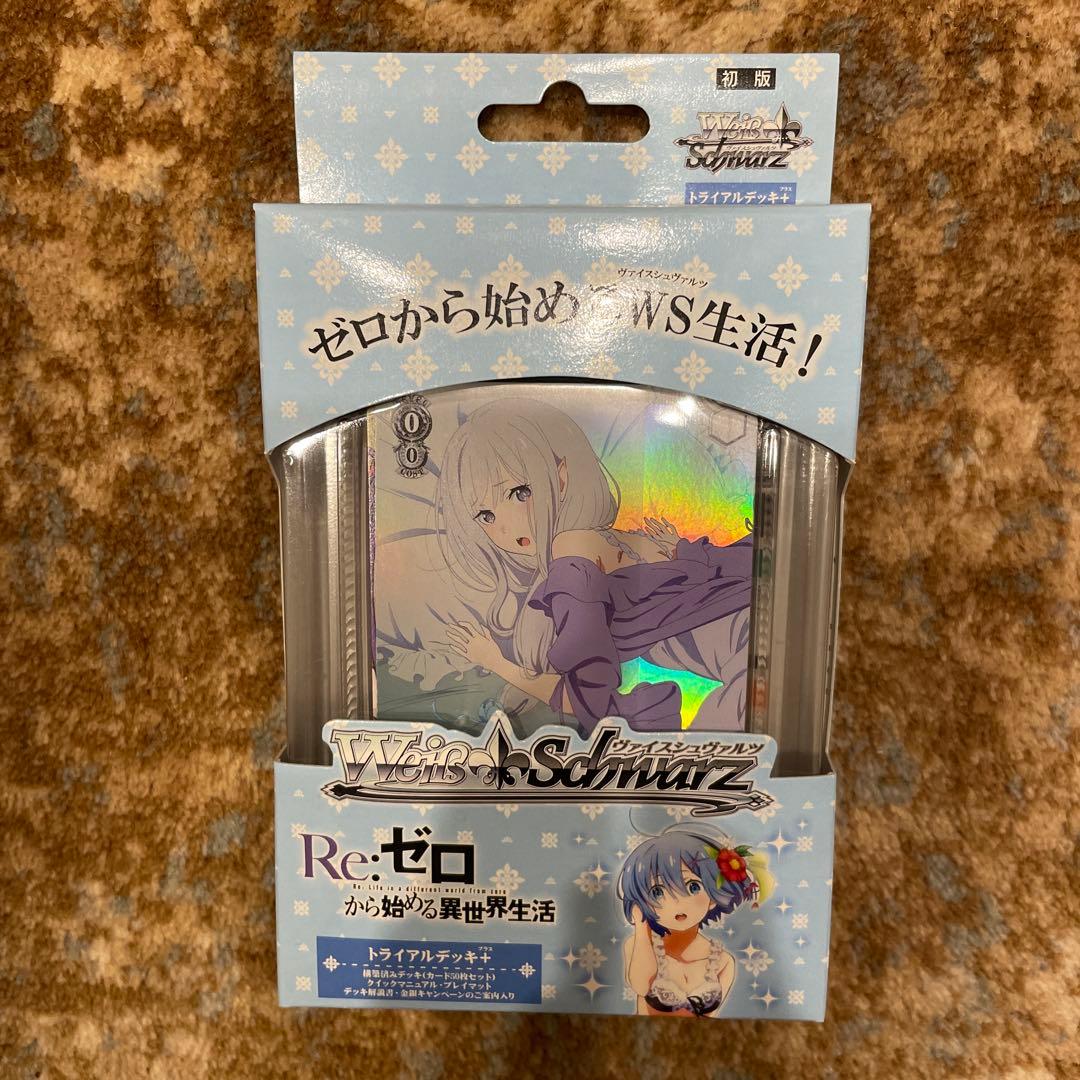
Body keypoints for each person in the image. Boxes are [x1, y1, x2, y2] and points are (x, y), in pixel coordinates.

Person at [434, 397, 753, 732]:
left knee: (713, 750)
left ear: (561, 477)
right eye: (486, 515)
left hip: (748, 646)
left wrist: (495, 662)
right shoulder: (601, 542)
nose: (505, 529)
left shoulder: (571, 557)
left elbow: (591, 701)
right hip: (754, 620)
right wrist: (681, 552)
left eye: (520, 493)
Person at [618, 824, 771, 1017]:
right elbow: (641, 987)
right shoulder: (639, 945)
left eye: (693, 887)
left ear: (713, 897)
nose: (677, 903)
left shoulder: (723, 961)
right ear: (642, 901)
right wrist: (641, 926)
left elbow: (710, 1018)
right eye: (657, 892)